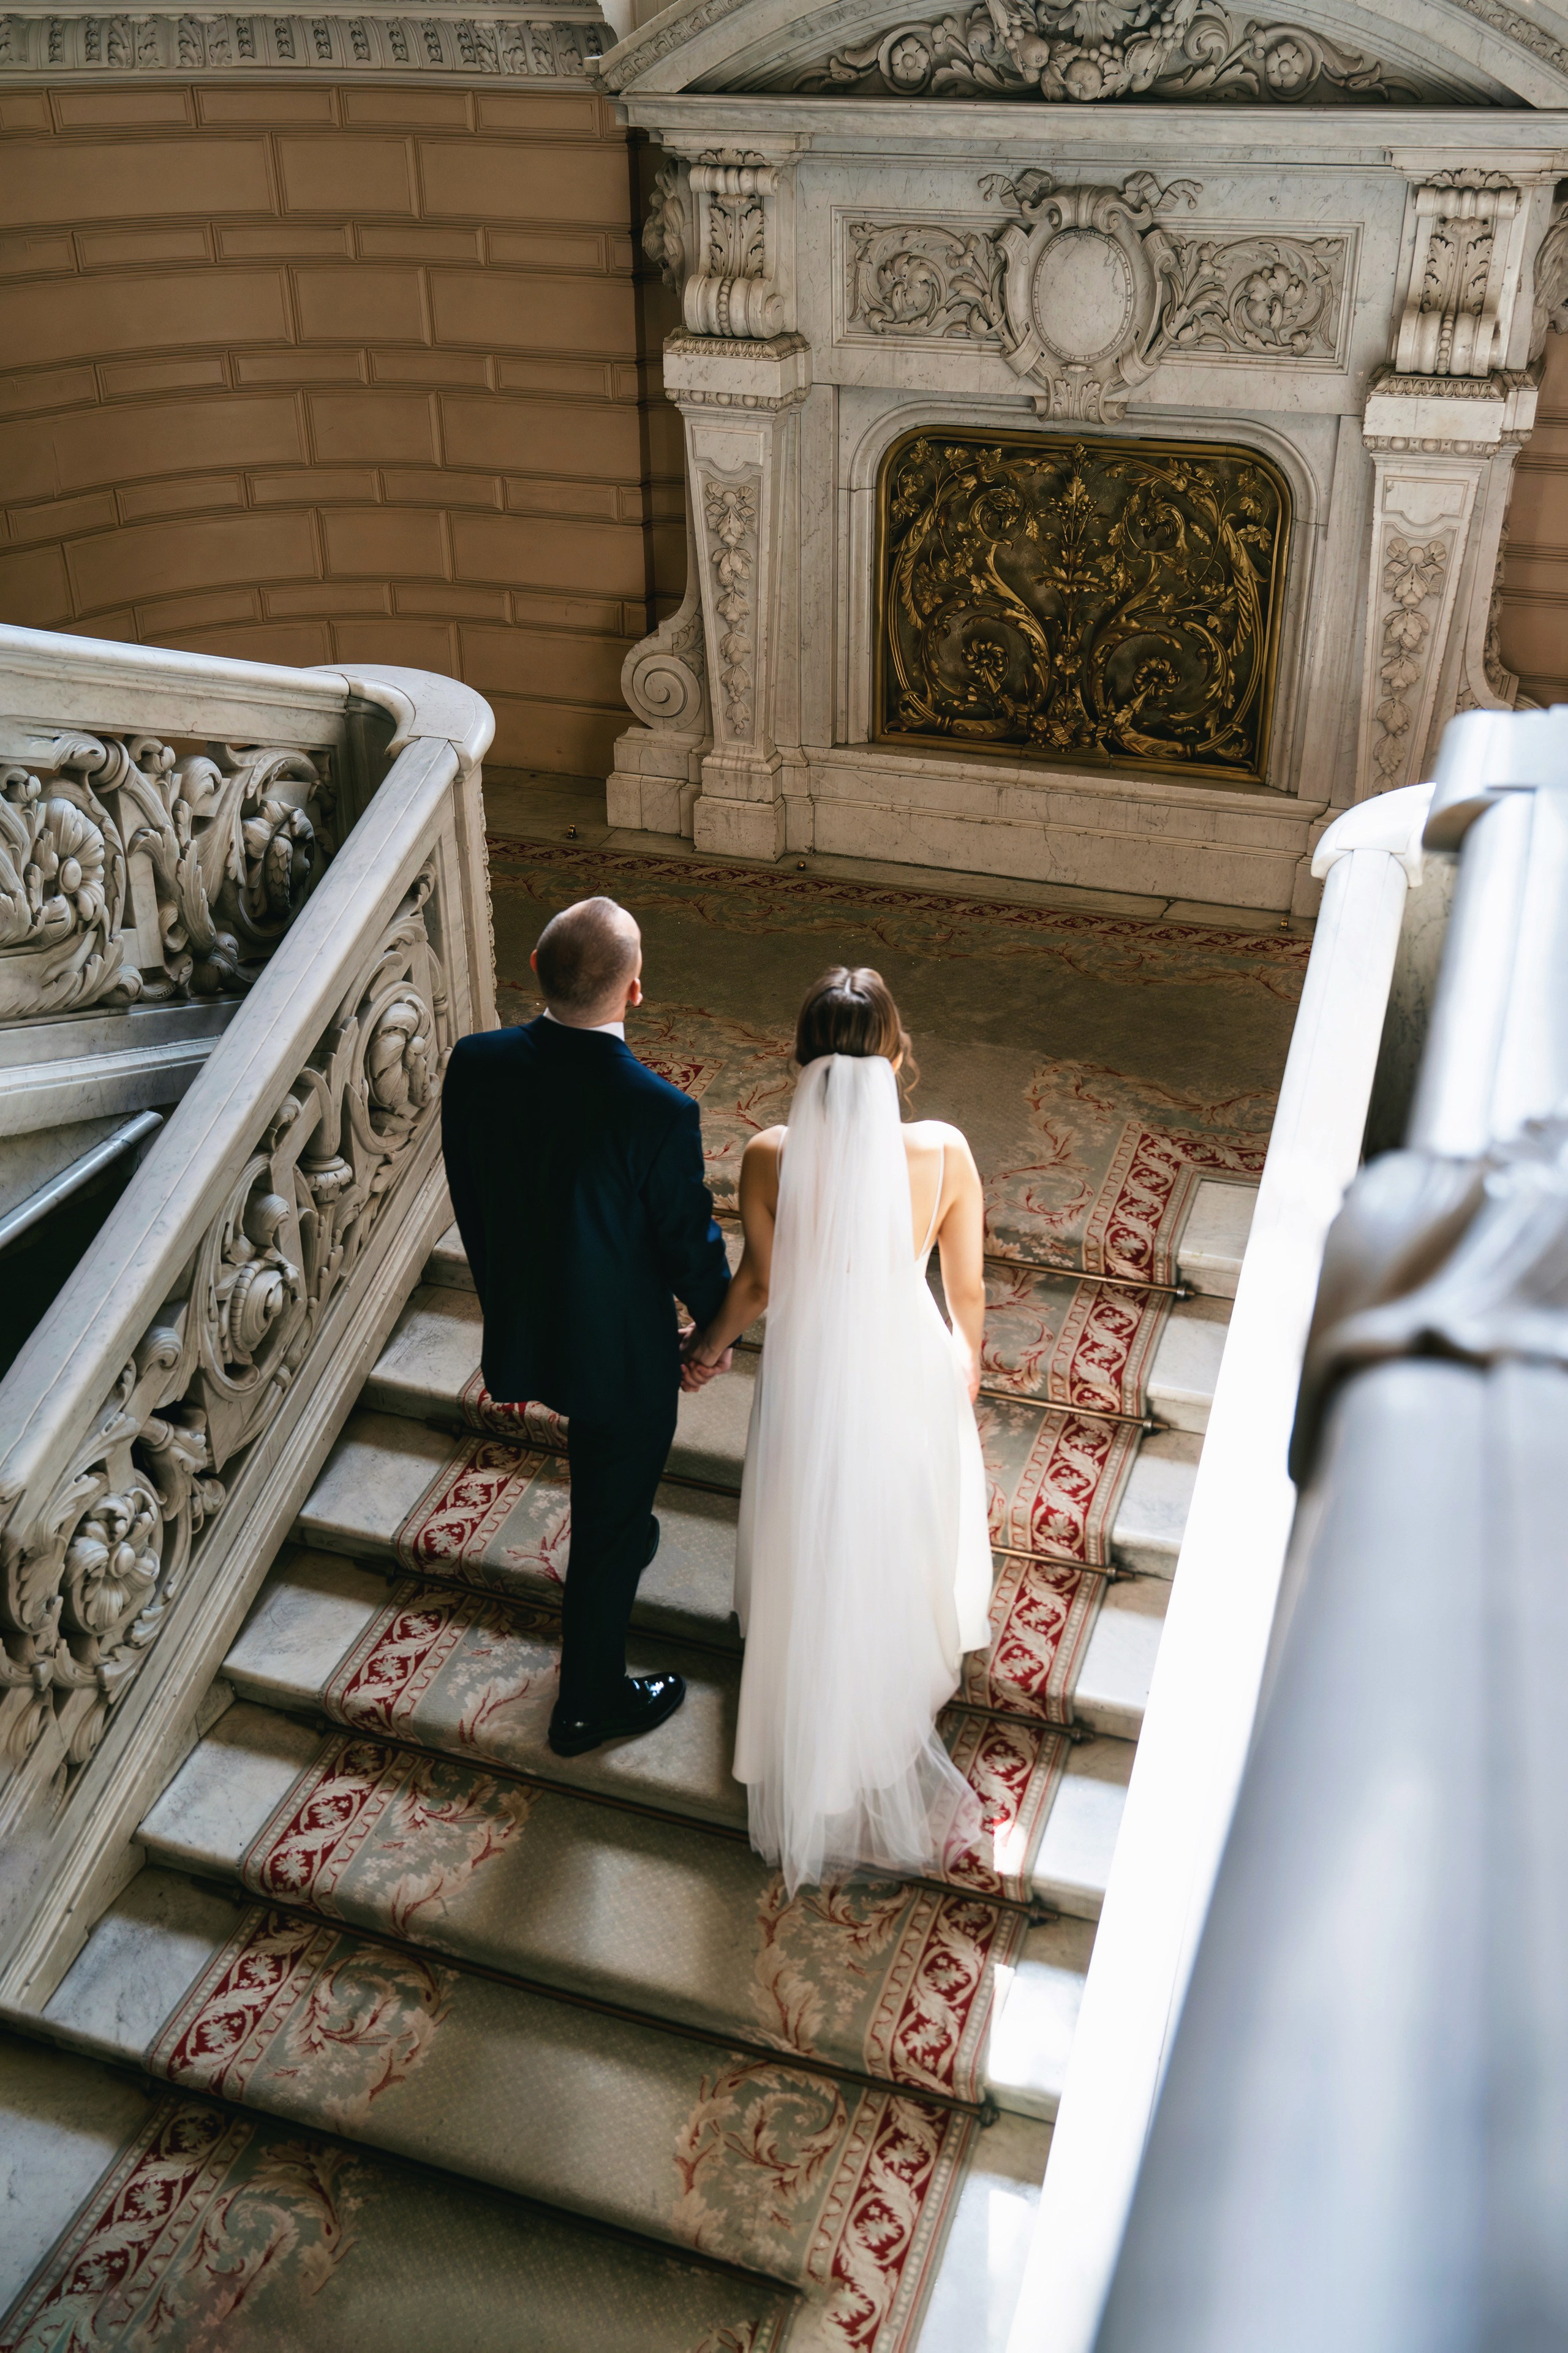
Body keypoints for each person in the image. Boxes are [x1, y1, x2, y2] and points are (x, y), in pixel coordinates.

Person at [685, 966, 992, 1895]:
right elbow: (966, 1286)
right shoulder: (943, 1149)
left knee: (814, 1516)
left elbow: (760, 1286)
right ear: (900, 1054)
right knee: (897, 1514)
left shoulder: (771, 1154)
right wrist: (966, 1366)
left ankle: (810, 1665)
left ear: (800, 1056)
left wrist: (702, 1350)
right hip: (910, 1356)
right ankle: (896, 1659)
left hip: (815, 1363)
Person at [441, 895, 731, 1759]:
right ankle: (589, 1702)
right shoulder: (658, 1110)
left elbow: (472, 1186)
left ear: (533, 965)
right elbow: (689, 1243)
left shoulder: (478, 1061)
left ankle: (632, 1535)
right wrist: (716, 1328)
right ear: (636, 992)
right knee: (607, 1525)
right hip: (623, 1359)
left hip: (528, 1324)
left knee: (619, 1513)